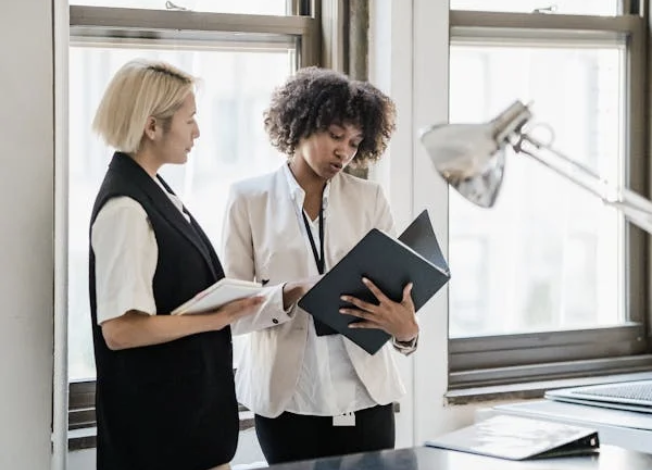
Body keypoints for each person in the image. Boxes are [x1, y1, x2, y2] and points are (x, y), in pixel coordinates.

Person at [88, 59, 303, 470]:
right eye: (190, 120)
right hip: (159, 440)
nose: (198, 132)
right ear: (152, 126)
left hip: (188, 431)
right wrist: (215, 318)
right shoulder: (126, 209)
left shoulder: (156, 191)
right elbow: (120, 330)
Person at [222, 66, 420, 465]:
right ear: (301, 124)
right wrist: (290, 293)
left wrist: (407, 334)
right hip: (287, 400)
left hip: (367, 395)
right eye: (335, 136)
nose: (344, 152)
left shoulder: (370, 198)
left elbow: (399, 294)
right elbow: (229, 311)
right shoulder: (248, 199)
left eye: (354, 142)